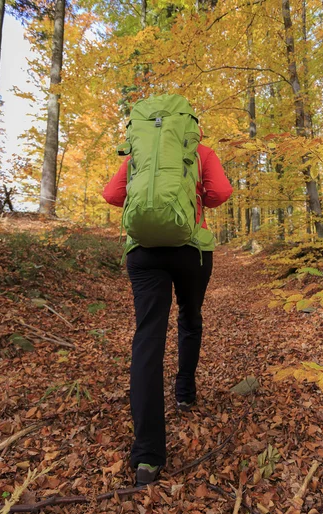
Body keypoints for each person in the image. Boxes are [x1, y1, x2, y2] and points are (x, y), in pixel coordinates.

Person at [103, 130, 232, 487]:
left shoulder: (141, 153)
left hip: (143, 253)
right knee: (190, 317)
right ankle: (185, 393)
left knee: (147, 339)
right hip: (193, 249)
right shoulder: (201, 151)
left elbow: (112, 194)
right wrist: (195, 198)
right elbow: (221, 193)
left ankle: (147, 456)